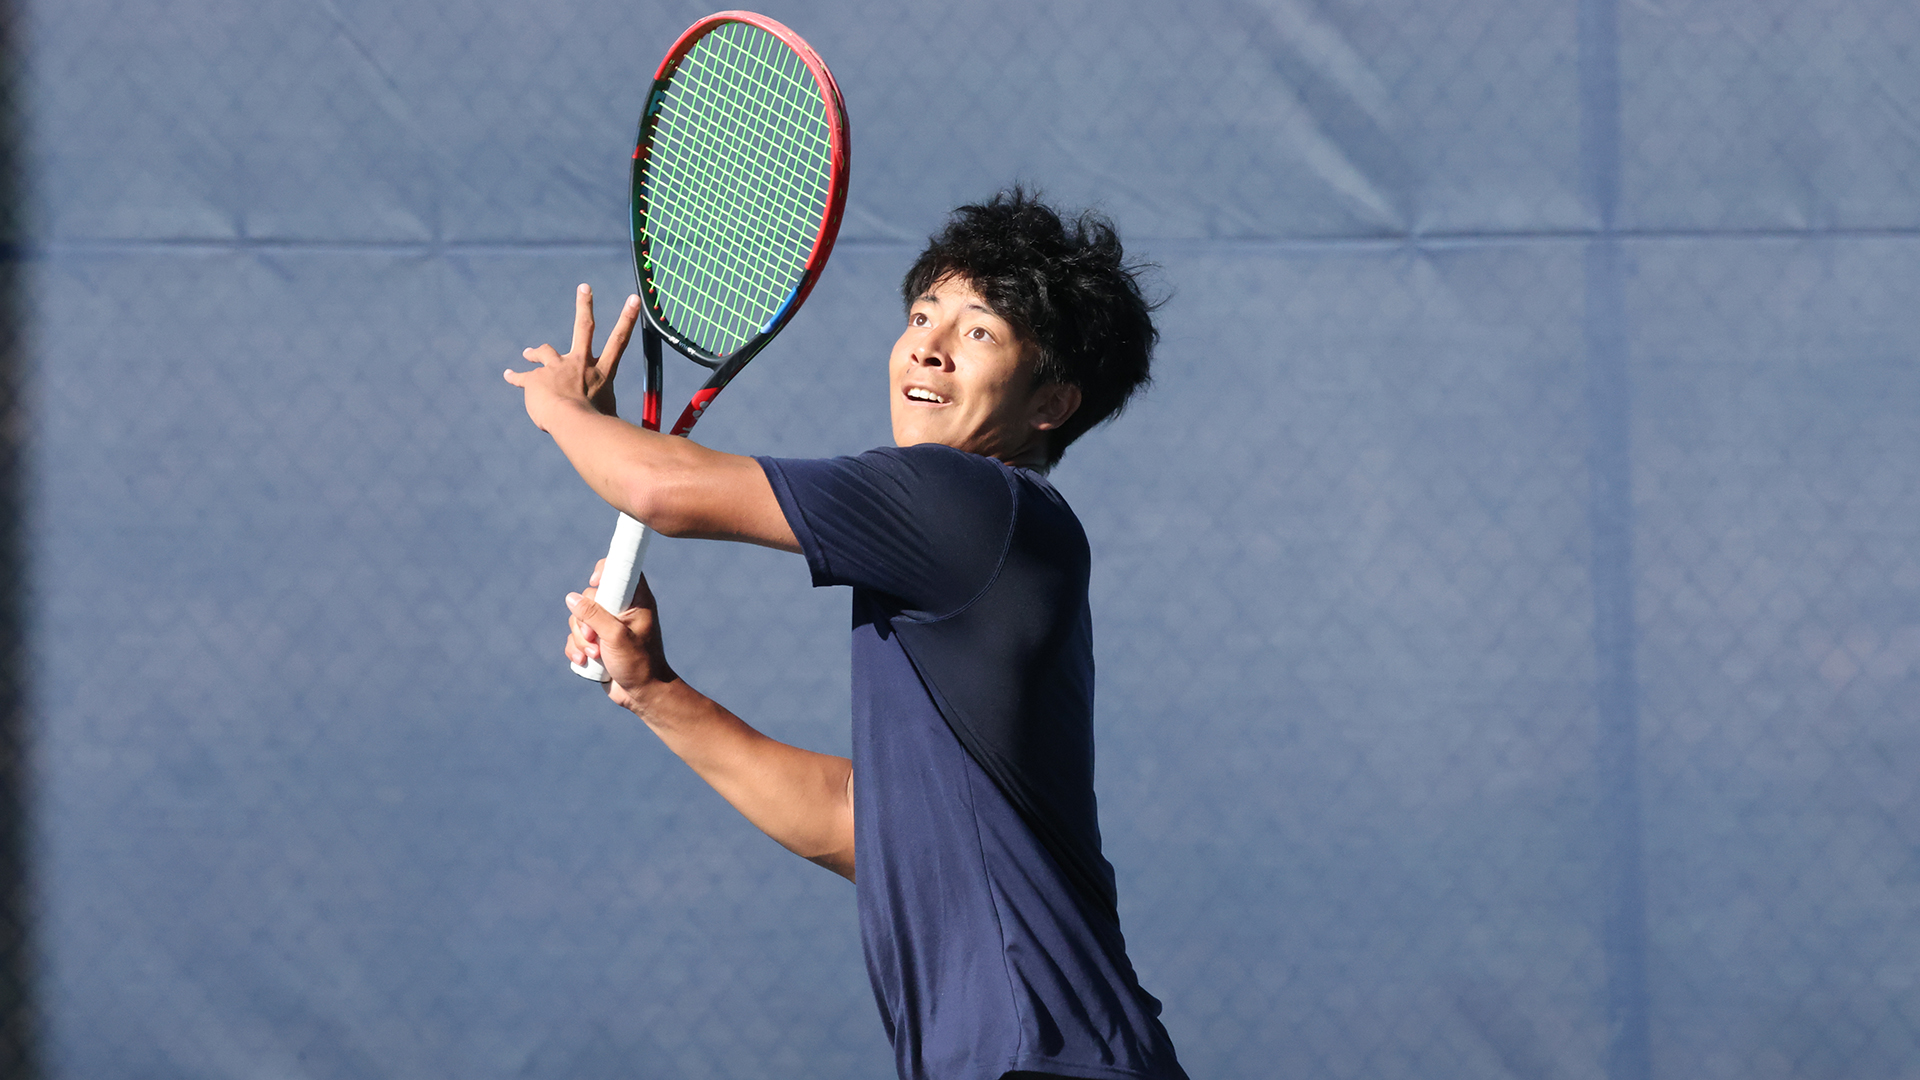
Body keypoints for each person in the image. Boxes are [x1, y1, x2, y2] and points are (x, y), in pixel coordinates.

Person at [504, 190, 1187, 1080]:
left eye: (979, 332)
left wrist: (563, 410)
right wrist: (656, 693)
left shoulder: (969, 502)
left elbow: (661, 491)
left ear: (1050, 401)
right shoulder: (973, 548)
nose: (928, 345)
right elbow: (863, 825)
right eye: (921, 313)